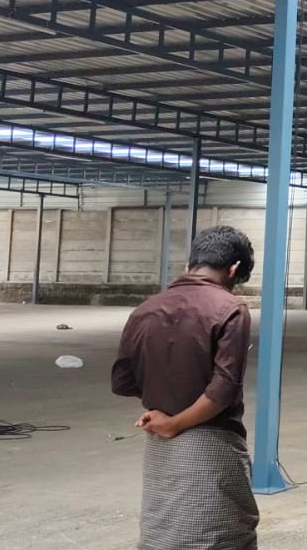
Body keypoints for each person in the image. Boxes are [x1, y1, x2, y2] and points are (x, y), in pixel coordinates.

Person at [111, 225, 259, 550]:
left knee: (163, 532)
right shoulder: (230, 308)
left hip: (160, 448)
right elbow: (223, 390)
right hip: (211, 445)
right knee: (217, 534)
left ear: (190, 262)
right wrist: (176, 423)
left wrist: (162, 411)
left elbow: (123, 381)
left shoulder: (145, 309)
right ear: (233, 269)